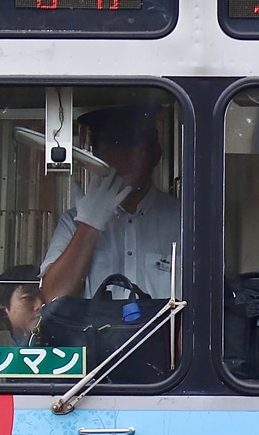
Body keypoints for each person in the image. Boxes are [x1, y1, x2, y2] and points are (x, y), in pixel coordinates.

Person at [40, 105, 179, 301]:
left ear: (155, 154)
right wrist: (88, 226)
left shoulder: (184, 221)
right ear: (96, 155)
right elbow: (53, 297)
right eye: (113, 144)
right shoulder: (74, 222)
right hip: (94, 332)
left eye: (133, 143)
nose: (123, 156)